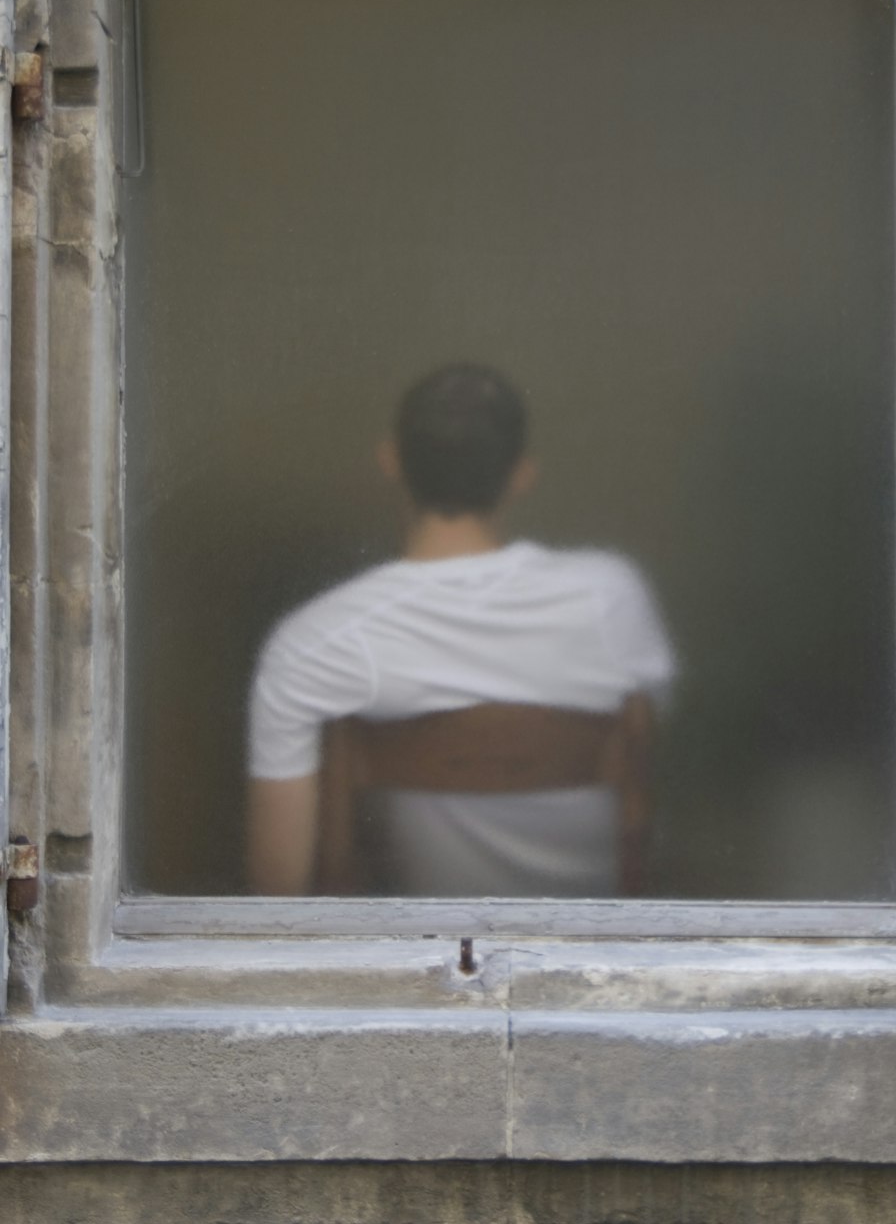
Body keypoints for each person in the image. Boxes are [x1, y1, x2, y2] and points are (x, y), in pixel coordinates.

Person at [247, 363, 676, 897]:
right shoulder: (612, 597)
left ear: (391, 461)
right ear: (521, 474)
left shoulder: (312, 644)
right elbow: (656, 749)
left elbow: (277, 892)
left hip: (418, 963)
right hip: (596, 955)